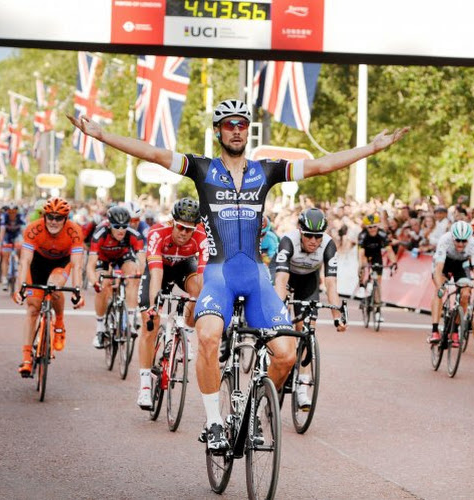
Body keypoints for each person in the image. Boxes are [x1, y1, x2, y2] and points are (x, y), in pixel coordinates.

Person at [68, 98, 408, 452]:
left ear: (248, 131)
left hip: (257, 277)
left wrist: (371, 148)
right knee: (209, 337)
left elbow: (321, 165)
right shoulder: (200, 168)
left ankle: (257, 412)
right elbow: (153, 154)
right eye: (228, 124)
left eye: (242, 124)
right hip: (219, 275)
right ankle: (214, 422)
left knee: (287, 355)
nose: (236, 130)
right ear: (218, 131)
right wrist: (102, 135)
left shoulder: (267, 171)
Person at [137, 197, 207, 408]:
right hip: (159, 269)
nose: (184, 233)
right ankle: (145, 386)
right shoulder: (158, 233)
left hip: (184, 267)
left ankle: (186, 331)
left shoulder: (202, 236)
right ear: (172, 222)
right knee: (151, 323)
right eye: (180, 227)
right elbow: (156, 272)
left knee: (200, 292)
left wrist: (201, 300)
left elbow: (203, 276)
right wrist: (153, 304)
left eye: (189, 229)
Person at [274, 208, 346, 408]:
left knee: (307, 330)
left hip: (309, 281)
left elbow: (331, 284)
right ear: (300, 231)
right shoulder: (288, 241)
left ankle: (302, 389)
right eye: (309, 236)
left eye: (318, 236)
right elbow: (280, 280)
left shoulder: (329, 245)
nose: (314, 241)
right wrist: (279, 311)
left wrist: (337, 316)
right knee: (282, 325)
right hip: (287, 276)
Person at [13, 197, 86, 376]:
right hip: (37, 263)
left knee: (54, 287)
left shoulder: (74, 231)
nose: (53, 221)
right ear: (44, 216)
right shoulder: (33, 229)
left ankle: (59, 322)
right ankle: (26, 359)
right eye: (50, 217)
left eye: (59, 218)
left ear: (66, 219)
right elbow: (25, 260)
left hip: (60, 263)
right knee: (33, 308)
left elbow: (77, 265)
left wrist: (77, 291)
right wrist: (20, 288)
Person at [88, 206, 146, 349]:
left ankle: (130, 322)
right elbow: (90, 265)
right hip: (103, 258)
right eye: (116, 226)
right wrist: (94, 282)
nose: (121, 230)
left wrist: (141, 275)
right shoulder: (100, 234)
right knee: (104, 284)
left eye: (124, 226)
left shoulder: (133, 234)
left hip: (123, 256)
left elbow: (142, 261)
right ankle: (100, 329)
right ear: (109, 224)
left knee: (134, 276)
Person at [428, 221, 474, 346]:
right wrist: (440, 287)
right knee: (439, 292)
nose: (460, 244)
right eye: (457, 240)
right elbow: (438, 268)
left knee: (466, 294)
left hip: (461, 265)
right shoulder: (444, 240)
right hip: (444, 263)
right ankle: (435, 331)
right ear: (452, 237)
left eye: (464, 241)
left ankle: (455, 330)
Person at [354, 213, 398, 324]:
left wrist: (394, 262)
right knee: (363, 266)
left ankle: (378, 311)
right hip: (364, 253)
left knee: (378, 282)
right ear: (366, 227)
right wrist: (362, 265)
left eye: (374, 226)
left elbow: (389, 250)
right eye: (370, 227)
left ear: (378, 226)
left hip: (376, 255)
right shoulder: (362, 235)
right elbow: (361, 254)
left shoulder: (382, 234)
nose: (373, 229)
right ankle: (362, 286)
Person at [0, 204, 26, 291]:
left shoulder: (20, 217)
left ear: (16, 212)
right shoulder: (4, 217)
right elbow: (2, 232)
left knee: (21, 250)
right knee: (5, 257)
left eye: (14, 212)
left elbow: (24, 232)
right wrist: (0, 243)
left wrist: (25, 243)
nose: (12, 214)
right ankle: (5, 279)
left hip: (17, 236)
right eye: (10, 212)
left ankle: (19, 266)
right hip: (7, 236)